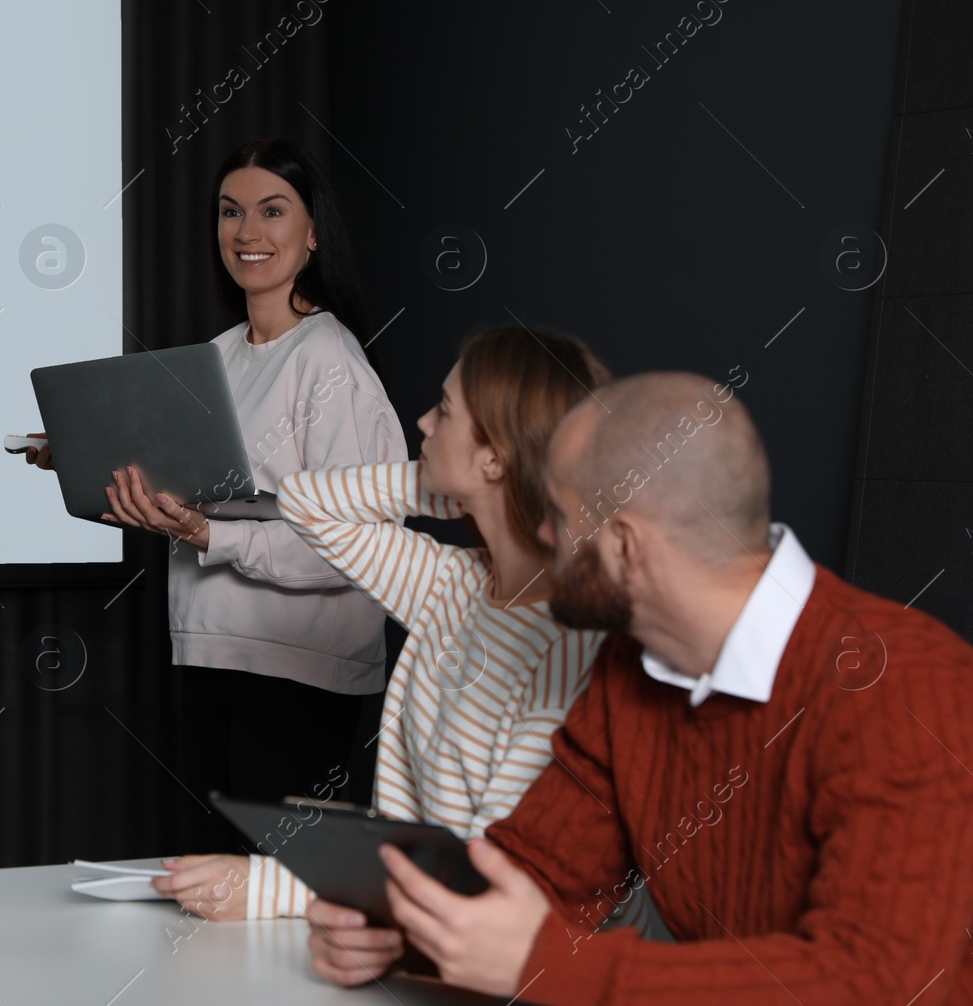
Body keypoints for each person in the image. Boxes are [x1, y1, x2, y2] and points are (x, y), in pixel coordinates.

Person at [310, 371, 973, 1001]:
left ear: (626, 545)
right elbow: (538, 875)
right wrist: (402, 933)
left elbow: (871, 985)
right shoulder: (633, 670)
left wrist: (550, 969)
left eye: (561, 518)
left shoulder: (914, 691)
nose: (541, 538)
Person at [153, 326, 658, 940]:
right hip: (435, 940)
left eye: (444, 412)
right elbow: (307, 503)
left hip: (535, 971)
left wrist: (272, 886)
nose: (421, 422)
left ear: (494, 457)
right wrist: (458, 488)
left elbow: (488, 885)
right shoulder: (452, 584)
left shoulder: (572, 648)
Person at [23, 138, 408, 811]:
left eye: (272, 211)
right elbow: (191, 479)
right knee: (210, 884)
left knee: (267, 896)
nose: (247, 232)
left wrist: (210, 536)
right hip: (209, 655)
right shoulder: (216, 358)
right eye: (230, 212)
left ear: (314, 232)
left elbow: (356, 545)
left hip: (297, 673)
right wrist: (90, 450)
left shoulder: (330, 361)